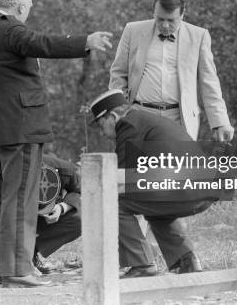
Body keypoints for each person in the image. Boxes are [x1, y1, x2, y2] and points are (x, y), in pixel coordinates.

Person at [0, 0, 111, 287]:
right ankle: (17, 268)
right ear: (19, 6)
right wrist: (84, 41)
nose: (29, 8)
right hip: (21, 127)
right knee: (21, 197)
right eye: (28, 3)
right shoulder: (10, 28)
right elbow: (40, 43)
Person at [88, 89, 219, 278]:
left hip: (185, 190)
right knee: (153, 205)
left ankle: (141, 264)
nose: (102, 133)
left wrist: (91, 177)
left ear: (113, 116)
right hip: (202, 190)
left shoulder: (128, 125)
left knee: (112, 200)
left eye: (101, 125)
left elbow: (121, 180)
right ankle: (186, 260)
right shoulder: (145, 121)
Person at [109, 0, 234, 142]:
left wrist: (220, 122)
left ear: (182, 14)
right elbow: (118, 74)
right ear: (153, 12)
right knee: (137, 165)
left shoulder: (198, 36)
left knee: (175, 166)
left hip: (179, 119)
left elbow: (209, 83)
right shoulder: (133, 30)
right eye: (160, 19)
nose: (165, 25)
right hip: (139, 115)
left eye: (171, 20)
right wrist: (122, 111)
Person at [0, 153, 81, 281]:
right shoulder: (5, 168)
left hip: (45, 216)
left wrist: (62, 207)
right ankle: (7, 257)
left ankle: (31, 255)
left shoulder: (65, 170)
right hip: (10, 215)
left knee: (79, 219)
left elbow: (79, 191)